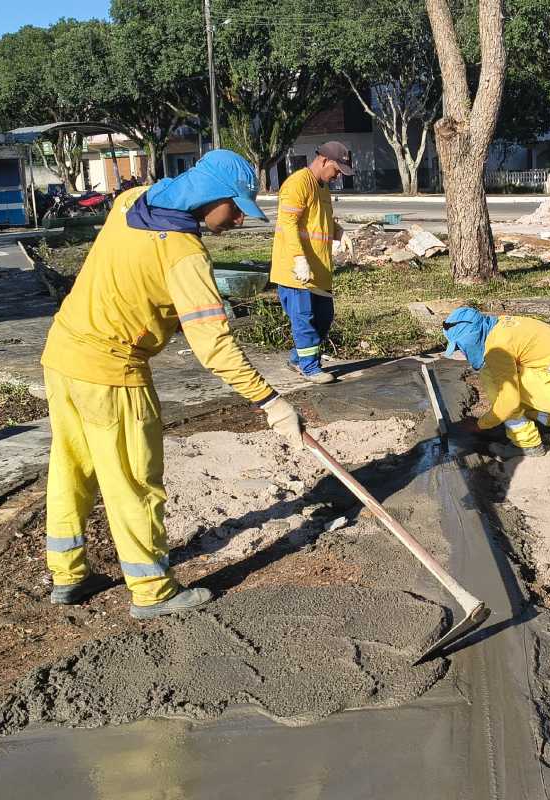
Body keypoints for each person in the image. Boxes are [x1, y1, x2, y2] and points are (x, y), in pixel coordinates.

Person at [40, 149, 304, 617]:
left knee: (71, 468)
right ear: (210, 196)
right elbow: (214, 348)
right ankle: (152, 592)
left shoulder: (132, 201)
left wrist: (164, 311)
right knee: (134, 482)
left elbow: (133, 276)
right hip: (111, 371)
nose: (240, 220)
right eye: (237, 207)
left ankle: (68, 574)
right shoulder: (184, 255)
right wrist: (271, 401)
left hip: (62, 352)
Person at [442, 306, 550, 457]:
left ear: (470, 338)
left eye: (459, 346)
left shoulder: (496, 348)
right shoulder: (499, 325)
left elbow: (508, 402)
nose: (461, 351)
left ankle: (528, 445)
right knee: (510, 384)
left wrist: (479, 425)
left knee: (496, 383)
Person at [270, 141, 353, 384]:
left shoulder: (323, 186)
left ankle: (298, 358)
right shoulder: (298, 183)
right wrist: (298, 258)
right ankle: (310, 367)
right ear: (324, 160)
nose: (338, 176)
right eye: (337, 170)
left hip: (319, 269)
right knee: (304, 318)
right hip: (296, 271)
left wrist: (339, 232)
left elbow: (321, 219)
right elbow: (288, 223)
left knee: (324, 317)